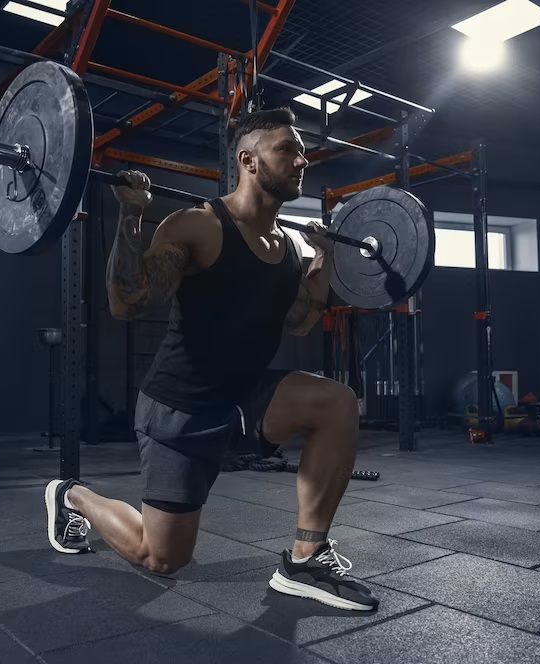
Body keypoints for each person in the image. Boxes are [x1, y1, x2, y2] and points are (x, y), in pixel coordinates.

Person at [44, 107, 378, 611]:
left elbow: (301, 322)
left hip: (245, 398)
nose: (301, 159)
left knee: (337, 402)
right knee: (160, 558)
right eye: (286, 149)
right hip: (182, 408)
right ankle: (73, 495)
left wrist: (324, 256)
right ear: (248, 160)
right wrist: (132, 213)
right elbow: (127, 304)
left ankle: (305, 560)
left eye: (301, 150)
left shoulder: (287, 245)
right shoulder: (198, 226)